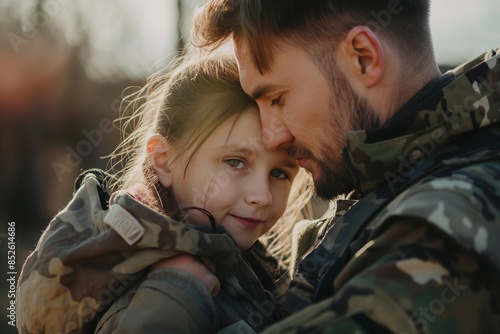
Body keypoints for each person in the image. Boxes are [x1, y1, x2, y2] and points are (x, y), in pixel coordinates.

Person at [154, 0, 500, 332]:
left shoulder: (449, 220)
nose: (271, 136)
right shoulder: (398, 182)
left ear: (363, 58)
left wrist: (171, 303)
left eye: (276, 98)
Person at [16, 50, 309, 333]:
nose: (263, 196)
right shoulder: (143, 278)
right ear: (164, 162)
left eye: (279, 173)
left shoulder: (253, 268)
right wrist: (176, 292)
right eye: (235, 162)